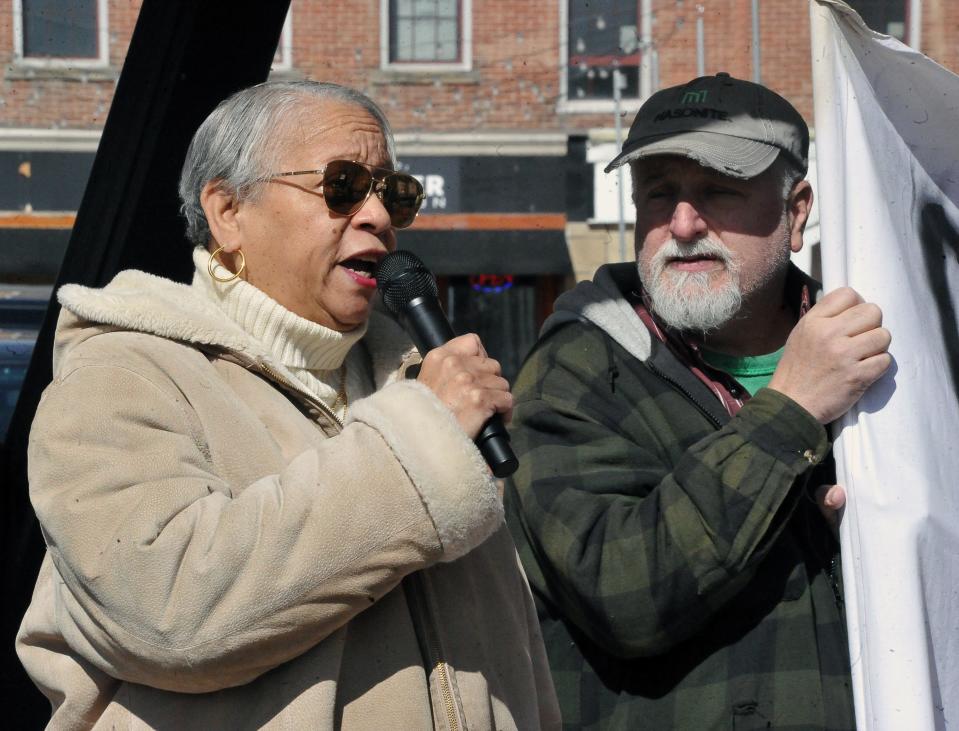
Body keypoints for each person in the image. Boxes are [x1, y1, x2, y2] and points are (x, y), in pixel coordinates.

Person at [17, 80, 560, 730]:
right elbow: (165, 608)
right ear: (227, 211)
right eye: (342, 186)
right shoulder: (123, 373)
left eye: (392, 192)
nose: (378, 216)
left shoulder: (413, 379)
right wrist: (414, 451)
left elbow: (513, 650)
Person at [504, 72, 891, 729]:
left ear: (796, 211)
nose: (682, 223)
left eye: (717, 190)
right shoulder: (580, 365)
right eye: (658, 195)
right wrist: (789, 410)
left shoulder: (880, 352)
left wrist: (851, 547)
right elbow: (621, 589)